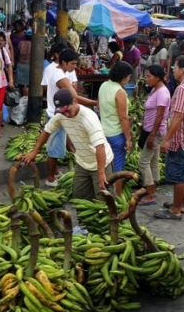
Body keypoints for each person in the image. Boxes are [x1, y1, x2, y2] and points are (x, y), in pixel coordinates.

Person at [23, 88, 114, 201]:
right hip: (82, 163)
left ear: (75, 101)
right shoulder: (62, 115)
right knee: (79, 197)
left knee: (103, 200)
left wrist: (101, 173)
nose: (66, 114)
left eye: (67, 110)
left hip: (101, 163)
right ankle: (83, 219)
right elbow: (46, 131)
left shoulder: (89, 119)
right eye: (62, 112)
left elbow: (100, 147)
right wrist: (34, 151)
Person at [154, 55, 184, 220]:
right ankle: (182, 204)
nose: (173, 71)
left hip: (182, 139)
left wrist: (167, 140)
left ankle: (175, 210)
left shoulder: (182, 89)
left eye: (175, 67)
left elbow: (178, 117)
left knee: (179, 176)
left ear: (182, 70)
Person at [41, 48, 97, 187]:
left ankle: (54, 173)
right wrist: (95, 103)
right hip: (57, 115)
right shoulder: (60, 77)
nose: (74, 67)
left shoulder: (58, 72)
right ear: (64, 62)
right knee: (54, 149)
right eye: (72, 63)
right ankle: (50, 178)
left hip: (56, 113)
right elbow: (75, 97)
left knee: (56, 146)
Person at [98, 61, 133, 196]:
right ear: (124, 76)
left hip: (103, 133)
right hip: (116, 135)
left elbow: (100, 106)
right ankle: (116, 199)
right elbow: (123, 118)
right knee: (117, 170)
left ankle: (103, 195)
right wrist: (128, 139)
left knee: (104, 166)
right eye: (129, 76)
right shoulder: (120, 92)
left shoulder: (103, 85)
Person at [137, 65, 170, 206]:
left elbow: (160, 115)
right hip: (150, 130)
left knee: (143, 162)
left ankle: (150, 195)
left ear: (157, 77)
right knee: (153, 162)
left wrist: (152, 135)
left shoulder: (162, 92)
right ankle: (151, 190)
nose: (147, 79)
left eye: (149, 76)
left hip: (155, 132)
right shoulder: (155, 89)